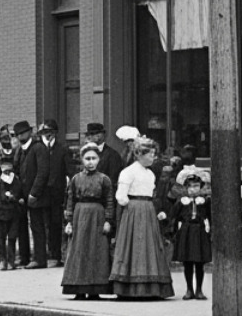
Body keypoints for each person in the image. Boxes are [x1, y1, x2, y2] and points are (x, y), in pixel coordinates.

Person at [109, 136, 174, 299]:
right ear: (138, 154)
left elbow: (153, 194)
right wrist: (133, 207)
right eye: (150, 154)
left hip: (148, 210)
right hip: (134, 210)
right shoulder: (128, 172)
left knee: (149, 246)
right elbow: (121, 196)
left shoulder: (150, 174)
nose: (153, 157)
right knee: (134, 245)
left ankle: (150, 287)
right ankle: (130, 287)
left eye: (154, 154)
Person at [61, 143, 116, 299]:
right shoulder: (76, 179)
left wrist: (108, 221)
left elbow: (109, 201)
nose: (90, 162)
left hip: (97, 217)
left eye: (94, 158)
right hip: (80, 216)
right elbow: (70, 201)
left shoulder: (104, 179)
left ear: (99, 160)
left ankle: (94, 290)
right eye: (87, 159)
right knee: (79, 250)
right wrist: (69, 222)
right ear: (82, 160)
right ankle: (78, 289)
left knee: (97, 251)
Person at [27, 119, 66, 267]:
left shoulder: (62, 149)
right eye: (44, 132)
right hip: (39, 193)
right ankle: (39, 257)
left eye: (50, 132)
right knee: (37, 226)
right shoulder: (36, 148)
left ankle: (55, 256)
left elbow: (68, 172)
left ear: (55, 133)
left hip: (55, 194)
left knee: (54, 225)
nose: (47, 135)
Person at [169, 171, 212, 300]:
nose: (193, 189)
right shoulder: (182, 202)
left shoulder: (204, 202)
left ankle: (199, 289)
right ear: (186, 187)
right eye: (190, 186)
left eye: (196, 186)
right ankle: (189, 289)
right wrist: (174, 232)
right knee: (187, 262)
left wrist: (210, 231)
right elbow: (174, 217)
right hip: (186, 232)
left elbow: (210, 217)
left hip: (200, 231)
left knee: (199, 263)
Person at [0, 153, 25, 271]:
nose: (6, 171)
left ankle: (11, 261)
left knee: (12, 238)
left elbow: (20, 193)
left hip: (14, 214)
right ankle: (3, 260)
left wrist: (16, 198)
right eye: (4, 168)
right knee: (1, 239)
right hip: (1, 215)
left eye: (8, 167)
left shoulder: (16, 180)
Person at [8, 120, 35, 267]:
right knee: (21, 226)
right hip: (21, 194)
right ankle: (24, 256)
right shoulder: (18, 150)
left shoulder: (36, 148)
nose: (20, 136)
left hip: (34, 193)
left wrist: (34, 192)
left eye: (23, 133)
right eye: (18, 134)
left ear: (30, 132)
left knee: (37, 226)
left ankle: (39, 256)